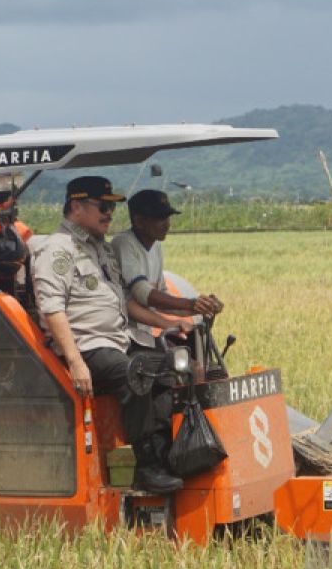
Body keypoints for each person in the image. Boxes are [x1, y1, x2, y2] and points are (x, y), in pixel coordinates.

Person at [31, 176, 190, 495]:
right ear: (76, 207)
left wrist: (169, 323)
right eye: (103, 207)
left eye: (111, 207)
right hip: (86, 347)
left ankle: (165, 458)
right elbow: (52, 309)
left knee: (169, 369)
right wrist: (75, 362)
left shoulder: (99, 250)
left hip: (115, 342)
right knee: (135, 373)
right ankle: (144, 468)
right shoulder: (58, 249)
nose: (110, 214)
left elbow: (127, 304)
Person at [112, 189, 224, 349]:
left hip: (145, 332)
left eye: (168, 217)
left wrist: (200, 308)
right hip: (125, 333)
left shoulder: (155, 246)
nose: (167, 224)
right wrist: (190, 304)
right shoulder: (123, 244)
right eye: (160, 218)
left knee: (194, 358)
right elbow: (142, 293)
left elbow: (162, 299)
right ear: (139, 221)